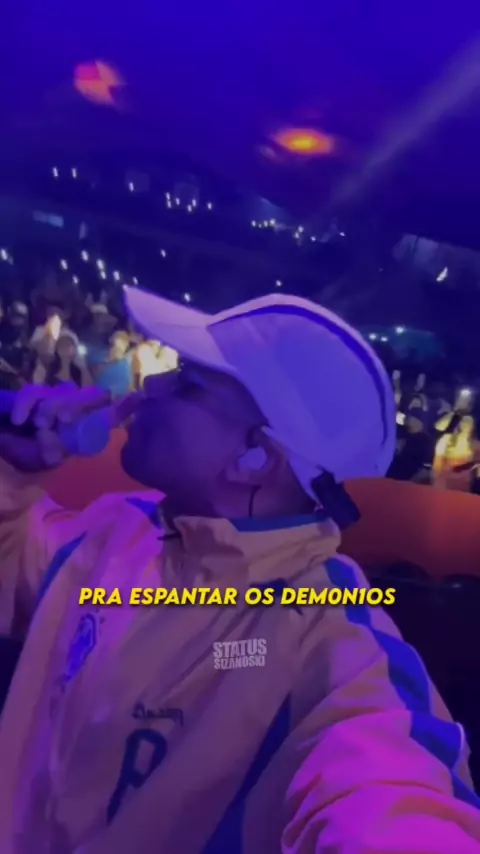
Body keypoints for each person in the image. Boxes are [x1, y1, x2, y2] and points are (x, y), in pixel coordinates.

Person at [0, 289, 479, 854]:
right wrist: (13, 466)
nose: (151, 385)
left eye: (187, 383)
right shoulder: (117, 529)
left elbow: (393, 792)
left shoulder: (325, 636)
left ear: (256, 457)